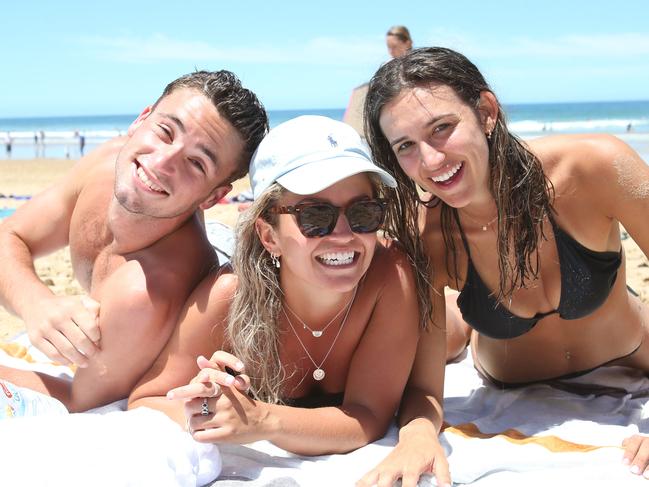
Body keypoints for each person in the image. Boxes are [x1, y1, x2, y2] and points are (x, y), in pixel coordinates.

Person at [359, 46, 649, 485]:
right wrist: (417, 435)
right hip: (503, 368)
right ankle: (466, 319)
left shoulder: (594, 168)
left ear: (486, 111)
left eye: (441, 128)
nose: (431, 160)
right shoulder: (428, 237)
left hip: (629, 350)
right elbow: (423, 387)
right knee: (450, 331)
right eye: (406, 146)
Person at [128, 116, 425, 457]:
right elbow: (146, 400)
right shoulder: (229, 296)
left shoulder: (389, 276)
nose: (344, 235)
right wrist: (204, 407)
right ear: (269, 235)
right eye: (315, 217)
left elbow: (369, 416)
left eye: (364, 213)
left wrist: (262, 420)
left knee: (454, 335)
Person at [0, 70, 268, 413]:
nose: (160, 162)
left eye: (197, 163)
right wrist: (35, 302)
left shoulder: (147, 292)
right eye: (165, 131)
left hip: (207, 270)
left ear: (213, 197)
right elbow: (11, 234)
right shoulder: (107, 162)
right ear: (141, 120)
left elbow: (79, 402)